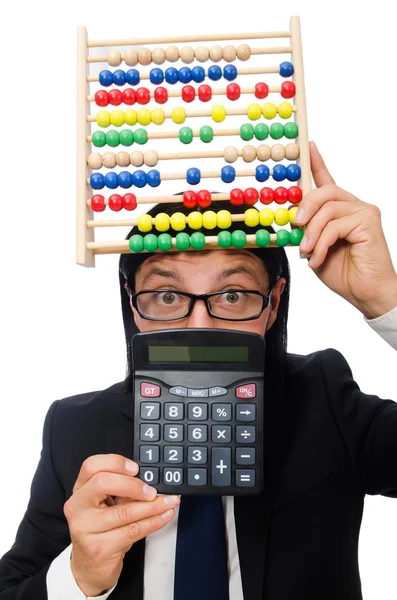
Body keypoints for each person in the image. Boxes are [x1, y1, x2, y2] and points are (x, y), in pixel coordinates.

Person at [0, 141, 396, 600]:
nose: (199, 326)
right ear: (134, 307)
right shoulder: (73, 427)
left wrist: (384, 299)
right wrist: (78, 576)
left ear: (273, 304)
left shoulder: (324, 397)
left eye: (232, 295)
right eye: (168, 296)